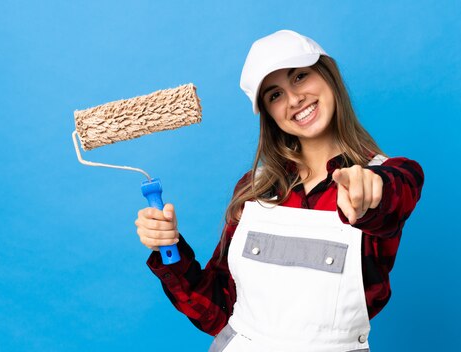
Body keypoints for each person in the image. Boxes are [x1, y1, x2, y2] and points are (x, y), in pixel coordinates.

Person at [134, 29, 424, 351]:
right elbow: (217, 312)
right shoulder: (254, 189)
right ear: (269, 115)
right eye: (275, 95)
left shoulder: (391, 175)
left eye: (300, 77)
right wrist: (168, 247)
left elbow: (394, 195)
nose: (294, 99)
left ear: (328, 75)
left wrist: (372, 189)